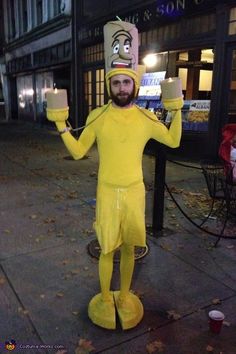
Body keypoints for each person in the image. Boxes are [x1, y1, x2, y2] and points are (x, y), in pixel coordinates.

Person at [47, 20, 183, 330]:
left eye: (126, 82)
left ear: (134, 84)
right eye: (116, 82)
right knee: (107, 247)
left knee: (129, 247)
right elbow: (80, 151)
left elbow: (173, 141)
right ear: (110, 85)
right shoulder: (98, 116)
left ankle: (124, 295)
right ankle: (107, 297)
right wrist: (60, 126)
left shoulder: (146, 118)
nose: (121, 88)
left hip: (134, 192)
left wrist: (177, 111)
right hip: (107, 192)